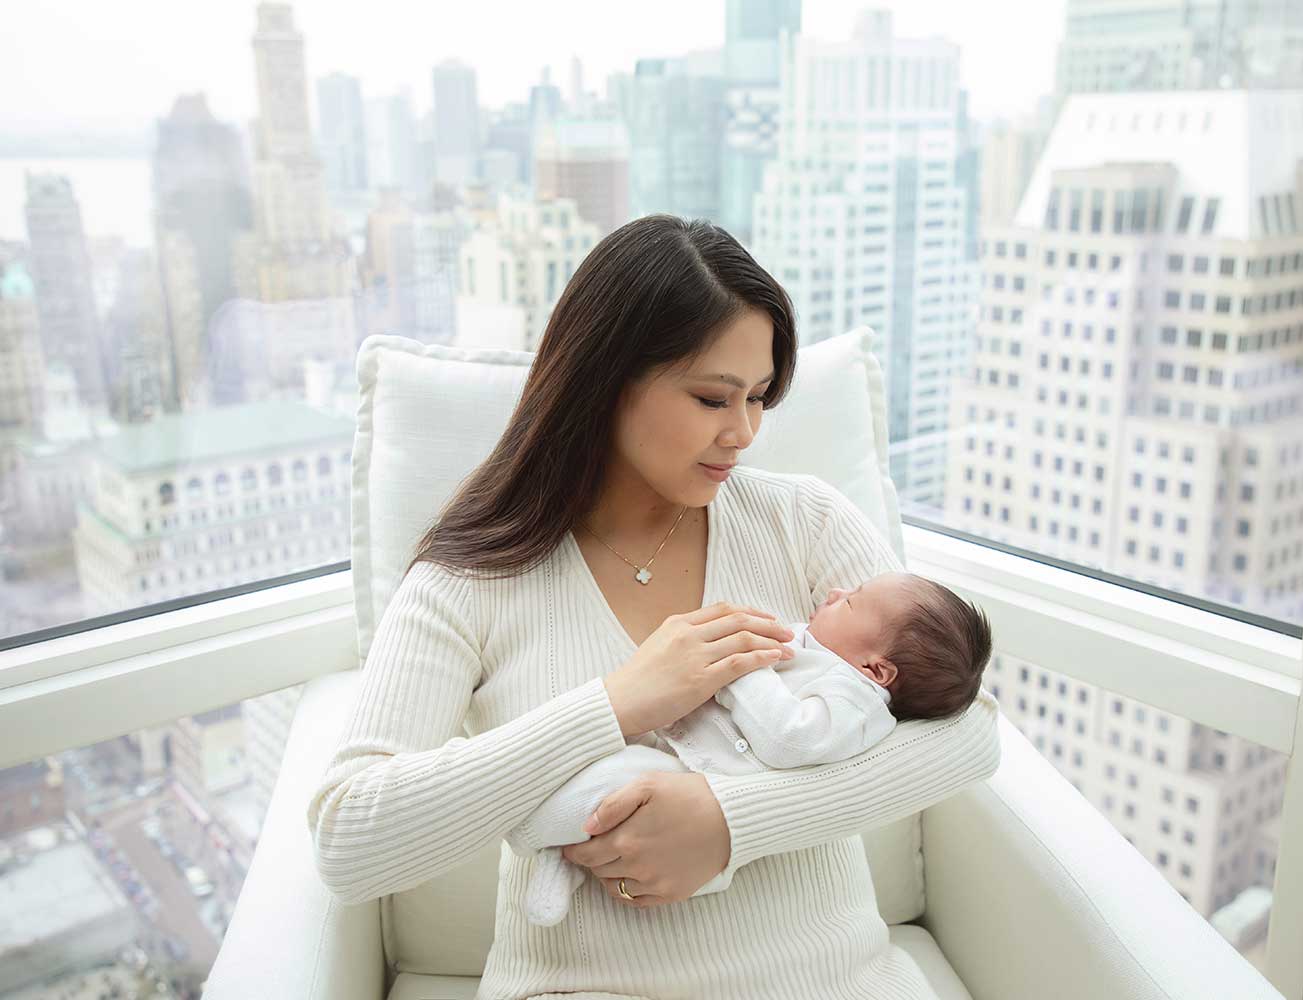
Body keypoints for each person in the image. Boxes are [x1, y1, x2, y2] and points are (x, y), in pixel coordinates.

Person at [305, 214, 1002, 999]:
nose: (742, 433)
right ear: (606, 381)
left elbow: (970, 734)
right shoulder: (465, 582)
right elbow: (349, 840)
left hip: (831, 979)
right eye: (712, 398)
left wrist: (730, 822)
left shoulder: (801, 522)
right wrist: (613, 704)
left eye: (761, 398)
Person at [506, 570, 995, 927]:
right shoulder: (822, 646)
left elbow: (789, 738)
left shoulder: (856, 699)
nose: (834, 590)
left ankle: (536, 836)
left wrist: (740, 666)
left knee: (616, 783)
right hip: (675, 745)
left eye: (849, 603)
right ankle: (562, 860)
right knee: (607, 763)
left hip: (698, 777)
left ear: (877, 670)